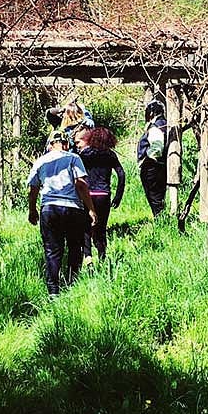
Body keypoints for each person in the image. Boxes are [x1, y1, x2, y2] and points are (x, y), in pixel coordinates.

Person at [27, 131, 98, 297]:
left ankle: (53, 292)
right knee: (75, 247)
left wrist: (32, 210)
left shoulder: (40, 161)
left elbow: (33, 189)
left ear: (50, 145)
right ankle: (72, 284)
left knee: (52, 250)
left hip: (49, 209)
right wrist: (91, 208)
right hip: (73, 209)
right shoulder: (74, 158)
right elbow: (80, 184)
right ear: (66, 144)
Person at [74, 127, 125, 262]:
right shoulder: (110, 155)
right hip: (103, 195)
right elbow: (121, 174)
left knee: (86, 227)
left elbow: (77, 176)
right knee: (101, 229)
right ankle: (102, 257)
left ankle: (88, 256)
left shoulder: (84, 155)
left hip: (87, 195)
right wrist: (118, 195)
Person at [136, 99, 167, 216]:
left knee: (154, 197)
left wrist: (148, 161)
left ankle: (161, 220)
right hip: (159, 166)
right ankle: (161, 219)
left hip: (153, 167)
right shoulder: (164, 123)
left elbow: (157, 147)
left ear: (151, 113)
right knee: (158, 196)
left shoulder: (155, 127)